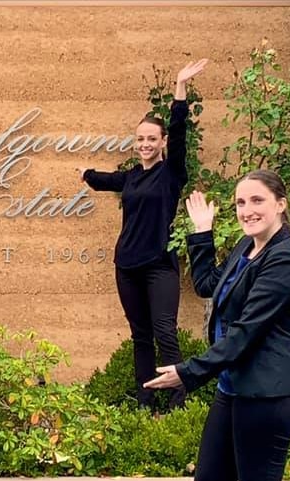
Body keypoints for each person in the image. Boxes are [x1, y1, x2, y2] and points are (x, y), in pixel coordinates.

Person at [143, 169, 290, 481]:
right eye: (240, 202)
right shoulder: (245, 247)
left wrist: (187, 371)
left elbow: (245, 333)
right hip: (233, 387)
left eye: (257, 200)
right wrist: (201, 233)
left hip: (269, 395)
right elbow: (208, 284)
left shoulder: (284, 260)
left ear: (281, 204)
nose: (247, 210)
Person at [77, 58, 208, 410]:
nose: (145, 144)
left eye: (152, 138)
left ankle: (177, 405)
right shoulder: (131, 176)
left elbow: (181, 131)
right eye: (140, 139)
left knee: (165, 332)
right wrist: (86, 174)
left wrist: (180, 89)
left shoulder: (171, 174)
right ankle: (145, 403)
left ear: (162, 142)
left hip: (159, 266)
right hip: (127, 266)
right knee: (140, 337)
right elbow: (106, 181)